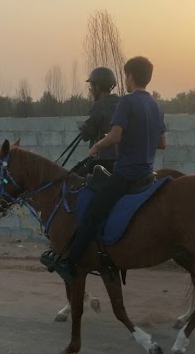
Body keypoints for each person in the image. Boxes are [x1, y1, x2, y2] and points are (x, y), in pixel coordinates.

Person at [42, 56, 166, 282]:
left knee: (92, 211)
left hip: (126, 173)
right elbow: (162, 143)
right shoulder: (156, 105)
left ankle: (70, 262)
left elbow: (115, 135)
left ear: (129, 76)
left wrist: (97, 146)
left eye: (126, 76)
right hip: (148, 174)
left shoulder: (127, 102)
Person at [71, 67, 119, 176]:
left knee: (73, 179)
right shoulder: (120, 103)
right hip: (120, 160)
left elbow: (87, 134)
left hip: (101, 160)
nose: (91, 90)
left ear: (97, 87)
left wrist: (83, 128)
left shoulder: (99, 106)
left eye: (91, 86)